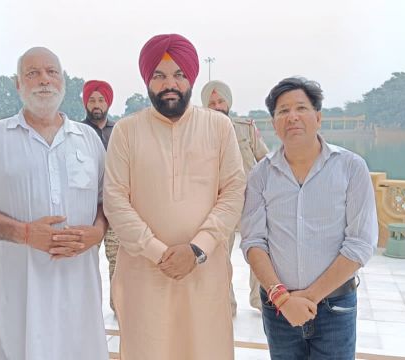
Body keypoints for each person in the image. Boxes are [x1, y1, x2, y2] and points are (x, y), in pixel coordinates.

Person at [0, 47, 109, 360]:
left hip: (78, 286)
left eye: (51, 72)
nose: (44, 80)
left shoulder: (88, 139)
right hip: (18, 288)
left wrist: (98, 232)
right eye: (33, 73)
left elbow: (106, 203)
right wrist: (24, 233)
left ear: (63, 82)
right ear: (18, 84)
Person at [103, 33, 245, 360]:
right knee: (147, 349)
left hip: (204, 272)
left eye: (179, 74)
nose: (171, 84)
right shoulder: (126, 130)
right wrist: (157, 252)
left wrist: (197, 249)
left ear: (192, 79)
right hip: (145, 274)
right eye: (160, 75)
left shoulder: (219, 128)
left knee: (205, 348)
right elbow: (115, 199)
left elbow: (234, 192)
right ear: (147, 81)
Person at [240, 77, 378, 359]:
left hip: (335, 306)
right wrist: (282, 298)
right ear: (274, 124)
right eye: (282, 111)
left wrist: (309, 298)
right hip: (278, 308)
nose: (292, 117)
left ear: (318, 117)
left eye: (301, 108)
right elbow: (253, 241)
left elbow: (360, 243)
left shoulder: (351, 168)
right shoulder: (260, 175)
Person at [201, 79, 269, 314]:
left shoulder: (245, 128)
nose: (217, 106)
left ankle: (261, 300)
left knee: (259, 250)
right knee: (219, 255)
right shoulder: (198, 131)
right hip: (218, 203)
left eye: (221, 101)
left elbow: (264, 159)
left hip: (250, 200)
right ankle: (225, 304)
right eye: (211, 103)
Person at [81, 79, 120, 312]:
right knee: (85, 262)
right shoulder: (77, 133)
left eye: (101, 100)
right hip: (87, 209)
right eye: (92, 100)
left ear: (108, 103)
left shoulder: (119, 132)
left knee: (118, 261)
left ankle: (120, 307)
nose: (97, 105)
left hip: (114, 207)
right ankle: (86, 310)